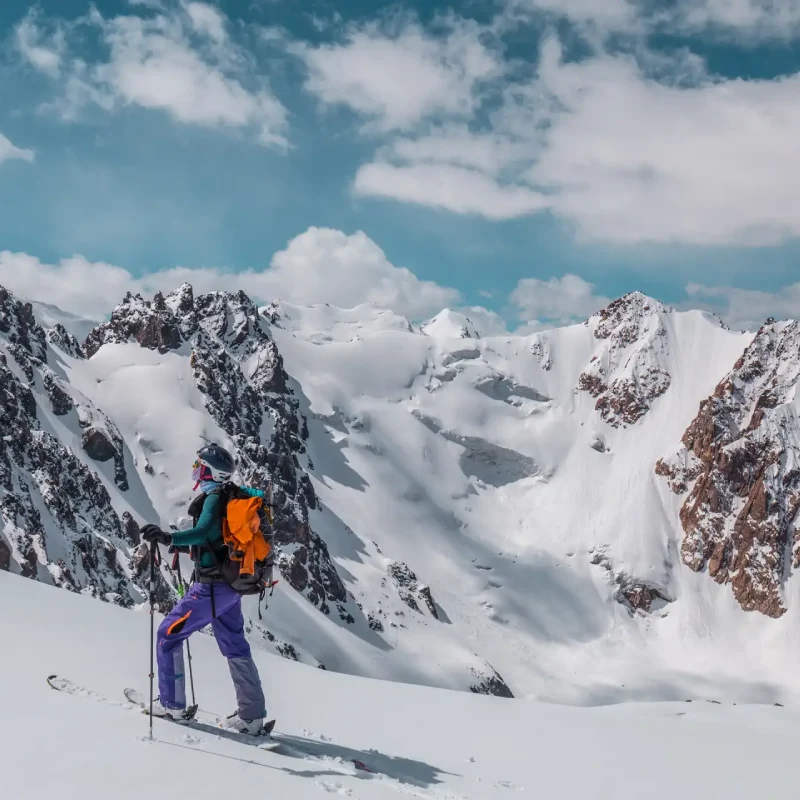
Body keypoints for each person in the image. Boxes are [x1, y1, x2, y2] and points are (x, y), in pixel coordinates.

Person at [140, 443, 268, 734]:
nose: (195, 469)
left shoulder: (213, 498)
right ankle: (252, 715)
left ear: (210, 471)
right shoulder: (232, 496)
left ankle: (173, 706)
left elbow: (202, 531)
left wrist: (168, 537)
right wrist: (187, 548)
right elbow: (215, 541)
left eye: (199, 464)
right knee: (235, 644)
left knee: (168, 634)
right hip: (232, 586)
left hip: (211, 588)